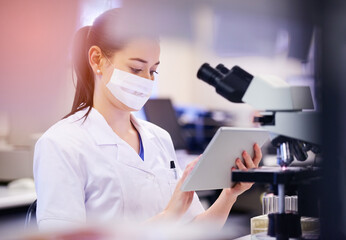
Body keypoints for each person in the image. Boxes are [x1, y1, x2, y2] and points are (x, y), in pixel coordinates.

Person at [33, 8, 263, 230]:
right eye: (135, 69)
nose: (146, 80)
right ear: (97, 59)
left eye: (153, 71)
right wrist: (168, 216)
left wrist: (229, 194)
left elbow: (192, 229)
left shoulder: (159, 138)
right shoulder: (61, 144)